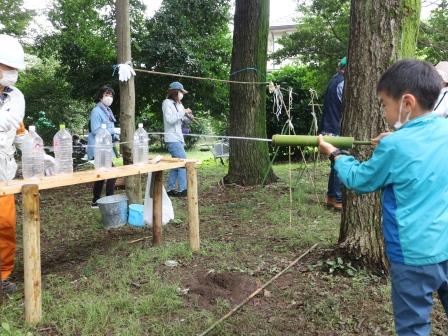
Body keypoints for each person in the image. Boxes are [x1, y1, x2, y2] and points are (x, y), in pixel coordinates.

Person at [318, 59, 448, 335]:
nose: (384, 111)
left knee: (413, 325)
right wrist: (396, 137)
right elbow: (419, 145)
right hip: (445, 244)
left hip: (412, 254)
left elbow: (360, 179)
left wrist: (335, 154)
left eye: (385, 104)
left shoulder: (394, 146)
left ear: (407, 103)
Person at [0, 35, 27, 293]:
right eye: (8, 68)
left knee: (5, 223)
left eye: (14, 70)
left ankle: (3, 274)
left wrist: (37, 153)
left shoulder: (15, 96)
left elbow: (18, 131)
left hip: (3, 171)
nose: (12, 74)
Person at [320, 56, 347, 211]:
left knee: (336, 162)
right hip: (336, 127)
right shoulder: (342, 83)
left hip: (328, 126)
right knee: (341, 159)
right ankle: (337, 198)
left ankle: (331, 196)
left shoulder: (334, 80)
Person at [87, 85, 118, 208]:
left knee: (102, 174)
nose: (109, 97)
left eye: (111, 95)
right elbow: (95, 130)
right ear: (101, 96)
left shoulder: (107, 111)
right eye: (106, 95)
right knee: (110, 173)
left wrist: (114, 134)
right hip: (98, 148)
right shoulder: (97, 111)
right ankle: (108, 198)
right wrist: (111, 131)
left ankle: (96, 201)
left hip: (106, 147)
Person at [162, 81, 194, 197]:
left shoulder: (180, 105)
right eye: (181, 92)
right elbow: (170, 119)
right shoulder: (166, 103)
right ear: (175, 92)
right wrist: (183, 112)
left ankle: (169, 189)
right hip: (171, 138)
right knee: (183, 162)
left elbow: (183, 120)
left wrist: (189, 117)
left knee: (176, 165)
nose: (182, 94)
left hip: (179, 138)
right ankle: (183, 189)